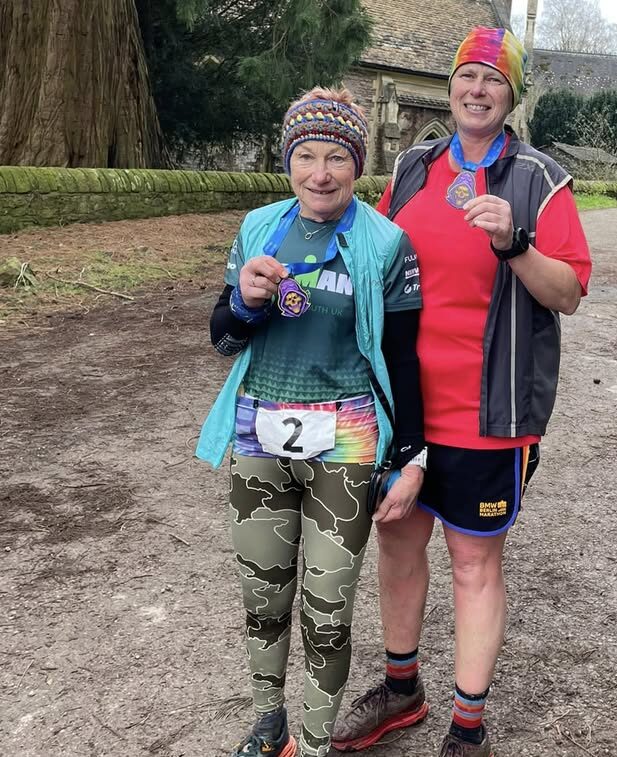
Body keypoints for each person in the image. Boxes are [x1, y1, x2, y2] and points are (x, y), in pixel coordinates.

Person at [332, 27, 591, 757]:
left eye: (493, 80)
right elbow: (375, 259)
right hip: (402, 405)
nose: (477, 89)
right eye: (467, 76)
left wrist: (515, 244)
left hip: (490, 411)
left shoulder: (539, 179)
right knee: (397, 537)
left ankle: (467, 730)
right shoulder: (415, 166)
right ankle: (401, 688)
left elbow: (567, 292)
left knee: (475, 563)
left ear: (511, 97)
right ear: (450, 87)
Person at [195, 87, 428, 757]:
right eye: (306, 155)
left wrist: (412, 456)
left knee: (327, 612)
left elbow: (404, 357)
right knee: (264, 599)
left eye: (336, 156)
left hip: (347, 442)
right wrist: (244, 300)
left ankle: (317, 742)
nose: (320, 172)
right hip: (260, 434)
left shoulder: (386, 243)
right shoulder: (259, 227)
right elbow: (223, 337)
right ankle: (269, 721)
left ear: (358, 163)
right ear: (288, 159)